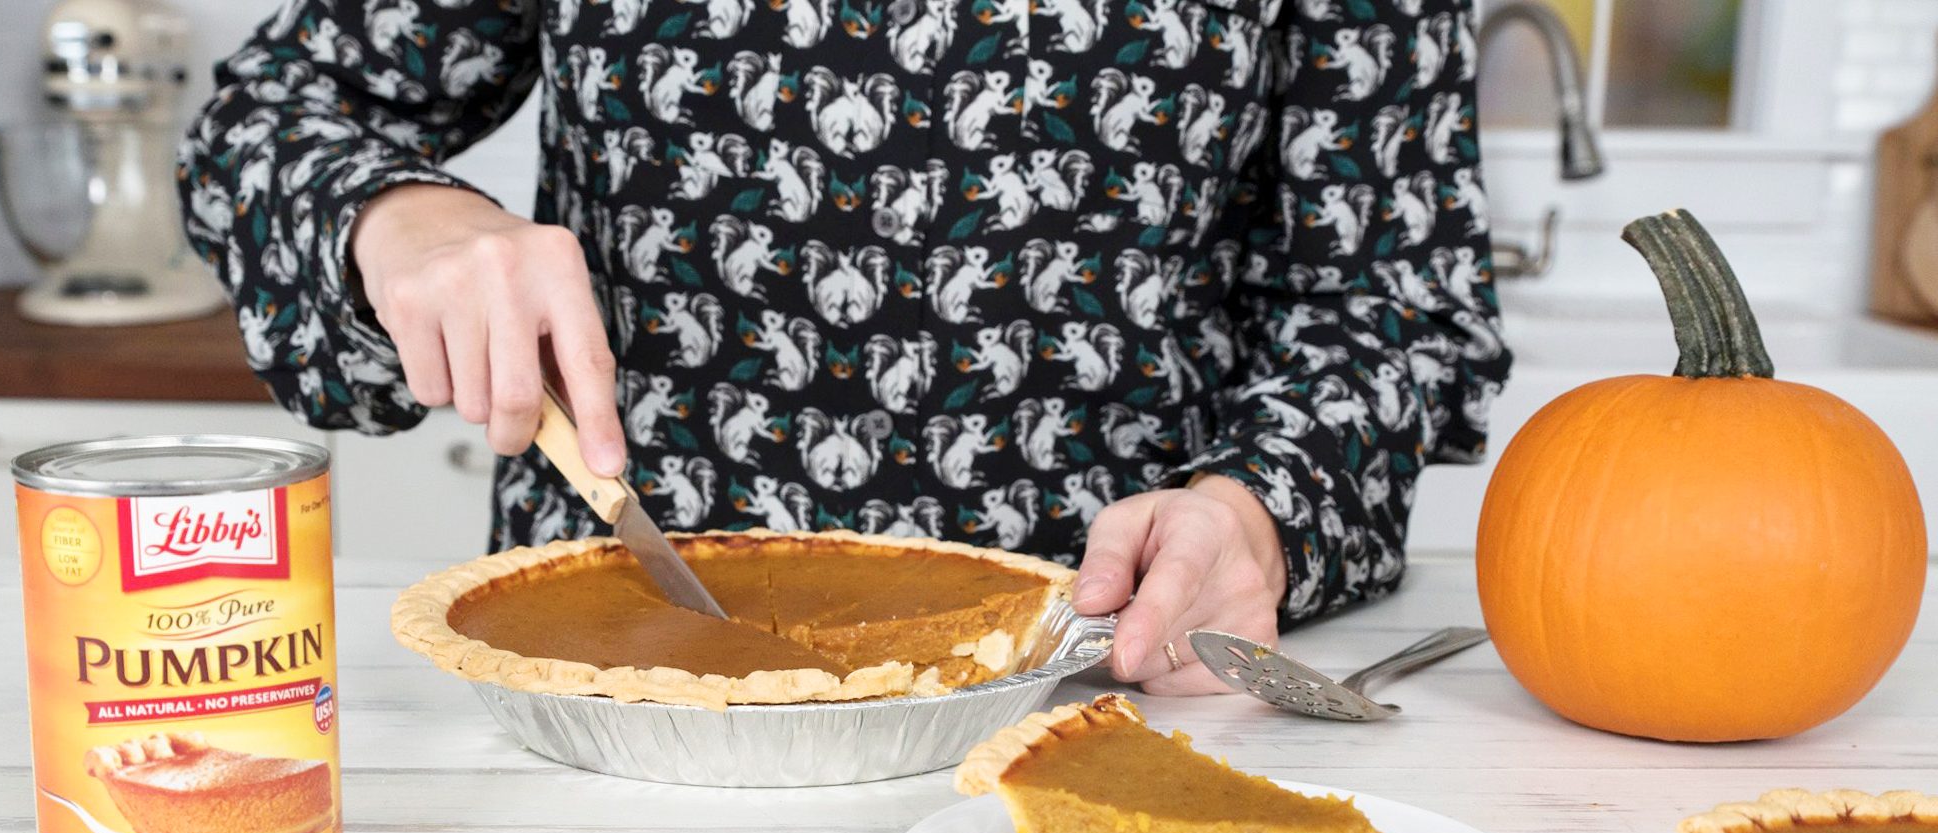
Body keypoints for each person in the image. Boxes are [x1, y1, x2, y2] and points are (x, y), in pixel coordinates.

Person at [179, 0, 1507, 692]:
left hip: (1109, 677)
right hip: (610, 673)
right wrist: (395, 215)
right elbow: (265, 118)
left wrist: (1258, 515)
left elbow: (1398, 304)